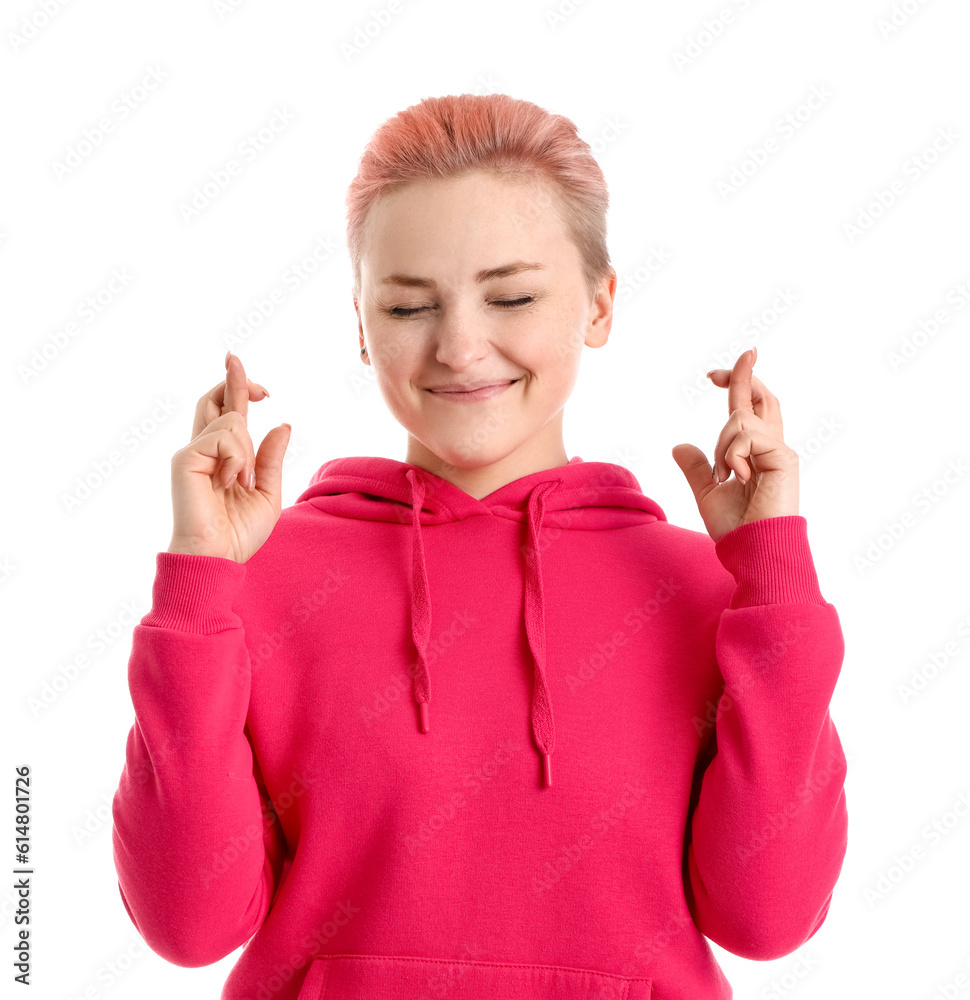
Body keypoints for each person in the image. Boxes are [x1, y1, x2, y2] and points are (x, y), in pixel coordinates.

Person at [111, 93, 848, 1000]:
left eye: (512, 296)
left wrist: (774, 583)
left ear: (600, 304)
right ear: (359, 325)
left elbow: (767, 921)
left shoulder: (700, 592)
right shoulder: (257, 582)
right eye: (409, 305)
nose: (460, 348)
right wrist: (198, 585)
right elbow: (188, 927)